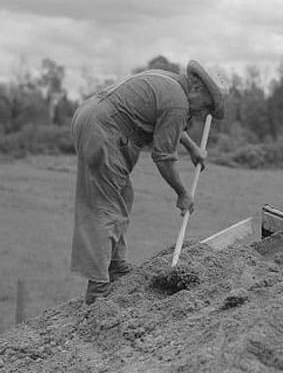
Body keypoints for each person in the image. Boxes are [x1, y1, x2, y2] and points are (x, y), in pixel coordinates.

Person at [70, 60, 225, 305]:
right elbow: (163, 157)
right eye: (206, 106)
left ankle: (116, 267)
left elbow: (167, 125)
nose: (203, 114)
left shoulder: (172, 84)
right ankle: (98, 289)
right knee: (107, 207)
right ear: (197, 89)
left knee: (121, 197)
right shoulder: (178, 101)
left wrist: (192, 147)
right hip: (104, 130)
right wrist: (182, 193)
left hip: (93, 118)